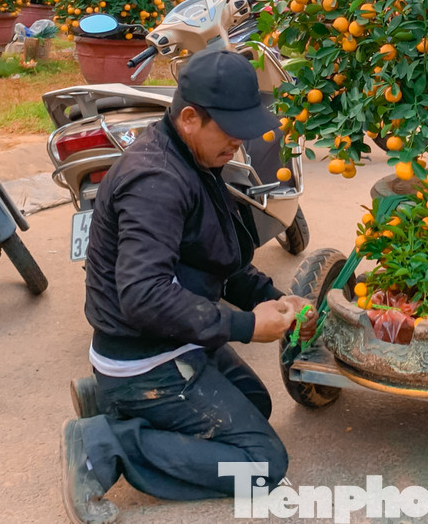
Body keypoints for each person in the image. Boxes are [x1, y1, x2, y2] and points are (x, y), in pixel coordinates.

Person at [60, 50, 315, 523]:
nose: (238, 143)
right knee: (262, 465)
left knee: (255, 404)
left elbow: (217, 260)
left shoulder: (194, 159)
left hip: (174, 339)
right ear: (191, 118)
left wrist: (273, 299)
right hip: (145, 358)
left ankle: (106, 400)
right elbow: (143, 295)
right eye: (231, 131)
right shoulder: (156, 180)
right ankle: (106, 444)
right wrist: (245, 326)